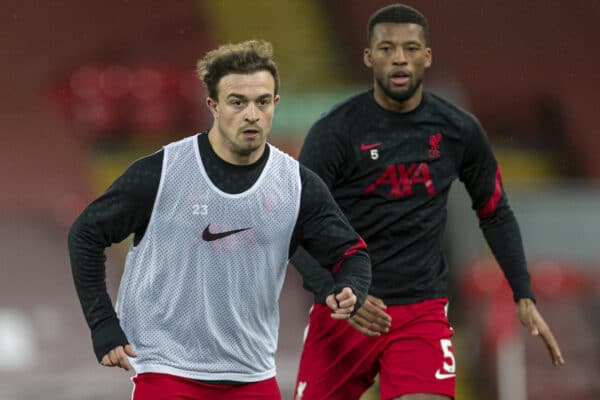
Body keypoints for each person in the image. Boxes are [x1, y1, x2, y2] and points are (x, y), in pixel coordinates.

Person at [68, 40, 371, 400]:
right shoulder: (162, 172)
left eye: (262, 102)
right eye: (237, 102)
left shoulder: (296, 185)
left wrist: (351, 287)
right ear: (212, 105)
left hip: (253, 375)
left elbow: (351, 253)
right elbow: (86, 233)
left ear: (275, 104)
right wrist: (103, 324)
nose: (252, 114)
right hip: (168, 371)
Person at [291, 4, 564, 400]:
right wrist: (338, 291)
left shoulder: (459, 130)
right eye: (386, 48)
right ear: (369, 57)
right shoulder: (334, 132)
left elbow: (495, 212)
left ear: (427, 56)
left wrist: (522, 292)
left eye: (410, 48)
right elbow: (293, 224)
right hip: (344, 313)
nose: (399, 58)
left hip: (421, 312)